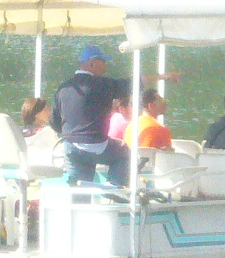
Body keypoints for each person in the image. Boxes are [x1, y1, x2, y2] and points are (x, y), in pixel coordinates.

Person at [50, 45, 180, 185]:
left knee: (80, 187)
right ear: (92, 63)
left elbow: (54, 121)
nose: (105, 67)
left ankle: (79, 202)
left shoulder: (63, 88)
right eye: (103, 62)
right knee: (124, 152)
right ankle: (114, 189)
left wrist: (72, 135)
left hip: (71, 147)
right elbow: (136, 83)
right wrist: (162, 77)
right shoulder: (101, 85)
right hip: (96, 144)